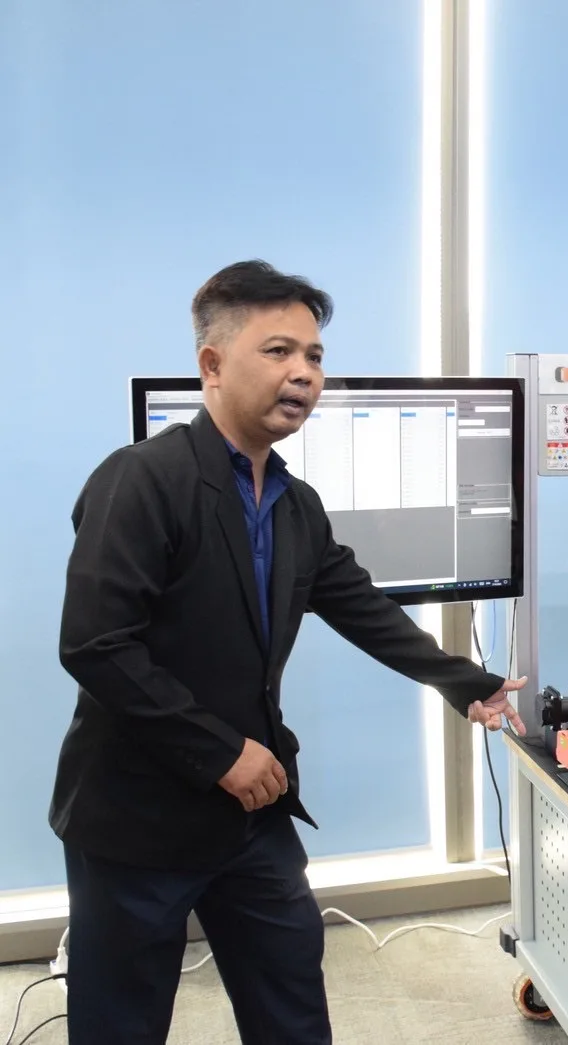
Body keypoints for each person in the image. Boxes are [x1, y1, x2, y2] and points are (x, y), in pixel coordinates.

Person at [50, 260, 527, 1045]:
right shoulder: (141, 480)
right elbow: (96, 644)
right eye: (278, 351)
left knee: (292, 1006)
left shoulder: (294, 504)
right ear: (212, 364)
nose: (304, 372)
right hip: (136, 816)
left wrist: (466, 681)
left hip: (251, 812)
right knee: (121, 1025)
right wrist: (218, 752)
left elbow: (360, 605)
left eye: (314, 355)